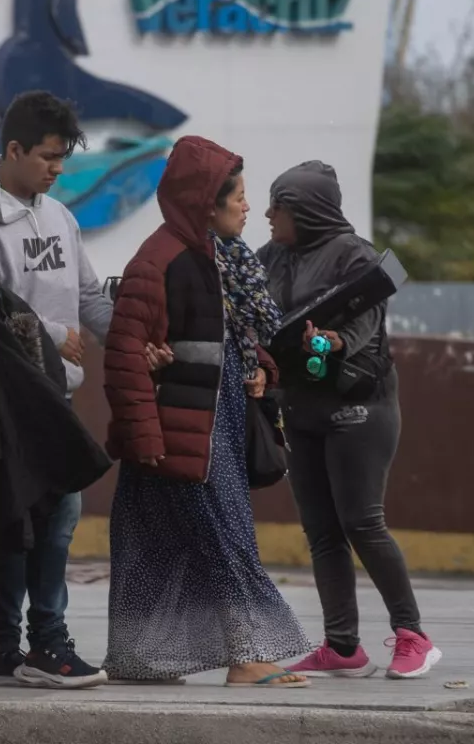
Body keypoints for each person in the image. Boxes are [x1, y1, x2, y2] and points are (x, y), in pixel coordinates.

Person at [102, 138, 312, 687]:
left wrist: (263, 369)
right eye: (237, 197)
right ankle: (246, 656)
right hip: (178, 432)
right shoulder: (158, 261)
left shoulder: (227, 258)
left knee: (167, 546)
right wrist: (146, 438)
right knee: (219, 540)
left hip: (214, 424)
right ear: (205, 203)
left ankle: (141, 658)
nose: (247, 207)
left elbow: (243, 335)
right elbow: (125, 355)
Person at [260, 162, 439, 680]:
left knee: (361, 521)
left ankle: (414, 636)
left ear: (309, 211)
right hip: (301, 407)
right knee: (321, 531)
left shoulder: (355, 256)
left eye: (281, 206)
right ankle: (342, 646)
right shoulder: (269, 257)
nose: (270, 215)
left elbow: (360, 327)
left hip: (360, 407)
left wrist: (331, 341)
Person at [0, 90, 112, 688]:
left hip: (57, 395)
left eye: (63, 160)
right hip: (6, 397)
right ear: (14, 149)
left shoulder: (60, 216)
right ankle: (47, 644)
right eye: (48, 157)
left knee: (31, 524)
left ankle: (0, 645)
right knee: (37, 521)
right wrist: (51, 335)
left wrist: (137, 336)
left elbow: (92, 298)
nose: (56, 170)